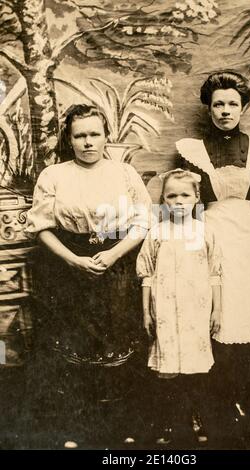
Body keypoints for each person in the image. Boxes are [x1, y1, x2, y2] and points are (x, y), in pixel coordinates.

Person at [24, 104, 152, 447]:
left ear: (106, 135)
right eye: (80, 135)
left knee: (118, 342)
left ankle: (121, 429)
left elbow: (142, 224)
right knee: (73, 346)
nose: (88, 142)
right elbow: (41, 228)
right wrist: (73, 260)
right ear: (69, 138)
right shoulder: (54, 175)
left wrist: (112, 255)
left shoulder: (125, 174)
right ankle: (76, 430)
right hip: (68, 269)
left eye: (95, 134)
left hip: (118, 264)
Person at [176, 71, 250, 448]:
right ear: (208, 108)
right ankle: (214, 410)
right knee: (214, 322)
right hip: (210, 240)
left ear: (243, 108)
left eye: (232, 104)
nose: (225, 111)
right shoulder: (192, 150)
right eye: (218, 104)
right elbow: (186, 207)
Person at [136, 169, 222, 447]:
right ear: (163, 201)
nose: (179, 201)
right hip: (165, 313)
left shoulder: (205, 231)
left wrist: (216, 310)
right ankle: (169, 422)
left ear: (197, 198)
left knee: (195, 370)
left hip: (195, 312)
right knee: (168, 369)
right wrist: (146, 312)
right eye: (171, 196)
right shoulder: (157, 232)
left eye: (185, 195)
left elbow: (215, 274)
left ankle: (197, 418)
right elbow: (146, 274)